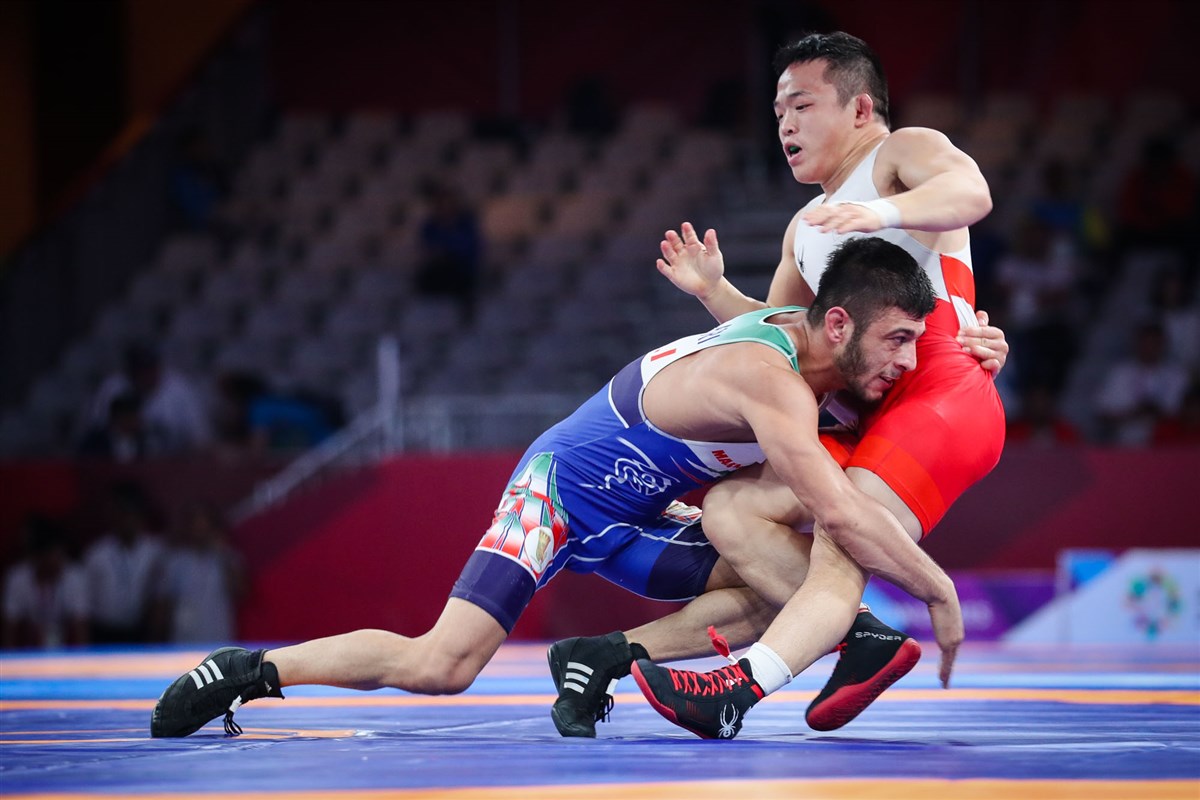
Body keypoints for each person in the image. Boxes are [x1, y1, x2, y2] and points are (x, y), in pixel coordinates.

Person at [150, 236, 953, 738]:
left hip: (640, 513)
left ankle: (599, 658)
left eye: (918, 344)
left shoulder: (797, 335)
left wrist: (968, 346)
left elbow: (764, 316)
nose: (908, 363)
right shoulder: (772, 383)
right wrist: (936, 591)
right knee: (442, 665)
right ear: (838, 325)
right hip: (556, 496)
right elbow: (840, 512)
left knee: (773, 585)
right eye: (899, 341)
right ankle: (249, 671)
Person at [627, 31, 1008, 739]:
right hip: (863, 414)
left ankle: (736, 690)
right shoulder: (803, 228)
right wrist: (714, 293)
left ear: (860, 108)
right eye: (778, 113)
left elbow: (971, 192)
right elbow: (785, 338)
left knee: (840, 533)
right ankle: (862, 639)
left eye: (802, 106)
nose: (786, 126)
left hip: (941, 394)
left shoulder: (900, 154)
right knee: (732, 509)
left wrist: (881, 213)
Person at [2, 516, 89, 649]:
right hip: (28, 649)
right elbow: (9, 628)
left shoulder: (74, 577)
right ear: (38, 556)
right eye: (54, 554)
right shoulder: (17, 578)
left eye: (62, 554)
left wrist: (82, 659)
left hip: (66, 649)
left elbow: (80, 627)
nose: (60, 560)